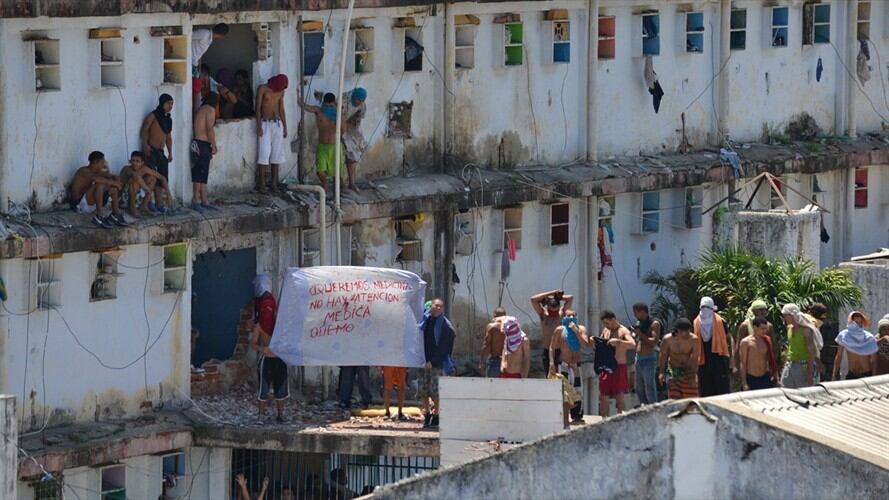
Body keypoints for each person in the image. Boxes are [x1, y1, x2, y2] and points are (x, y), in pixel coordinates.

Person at [249, 274, 288, 422]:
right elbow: (253, 343)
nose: (267, 310)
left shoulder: (280, 324)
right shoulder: (259, 326)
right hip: (266, 359)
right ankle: (260, 415)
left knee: (281, 389)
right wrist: (261, 349)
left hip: (279, 358)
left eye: (269, 308)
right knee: (263, 389)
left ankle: (280, 415)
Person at [418, 298, 455, 428]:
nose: (438, 308)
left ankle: (437, 415)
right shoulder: (425, 321)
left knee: (435, 392)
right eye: (436, 305)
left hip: (436, 364)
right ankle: (427, 414)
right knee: (423, 390)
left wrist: (433, 362)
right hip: (423, 361)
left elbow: (444, 348)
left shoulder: (446, 326)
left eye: (440, 306)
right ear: (431, 306)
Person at [70, 151, 127, 228]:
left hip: (90, 203)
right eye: (102, 162)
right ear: (97, 162)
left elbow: (108, 175)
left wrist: (115, 178)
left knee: (113, 188)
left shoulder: (97, 172)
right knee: (99, 185)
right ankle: (99, 216)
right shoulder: (83, 171)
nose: (104, 164)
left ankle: (115, 214)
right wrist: (113, 182)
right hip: (79, 205)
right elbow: (95, 179)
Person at [549, 309, 588, 421]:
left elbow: (585, 345)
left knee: (577, 391)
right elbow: (552, 347)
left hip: (576, 366)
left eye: (572, 315)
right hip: (564, 365)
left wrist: (576, 331)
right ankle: (564, 418)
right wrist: (552, 363)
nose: (570, 317)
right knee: (564, 393)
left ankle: (577, 416)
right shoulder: (560, 330)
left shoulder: (581, 329)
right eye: (568, 316)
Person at [139, 94, 174, 212]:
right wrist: (145, 145)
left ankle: (159, 203)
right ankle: (149, 202)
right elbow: (145, 128)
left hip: (161, 152)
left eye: (172, 103)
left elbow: (168, 138)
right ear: (162, 103)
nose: (170, 106)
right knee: (151, 178)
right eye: (168, 103)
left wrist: (170, 153)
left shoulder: (168, 120)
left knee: (162, 179)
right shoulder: (153, 115)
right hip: (151, 150)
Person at [254, 74, 288, 193]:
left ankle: (274, 183)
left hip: (277, 124)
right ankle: (262, 184)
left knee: (277, 154)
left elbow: (281, 109)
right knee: (264, 153)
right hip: (265, 123)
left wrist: (285, 126)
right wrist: (259, 125)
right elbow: (257, 109)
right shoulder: (263, 89)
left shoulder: (281, 91)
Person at [597, 310, 634, 418]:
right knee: (603, 396)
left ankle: (621, 422)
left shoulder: (623, 331)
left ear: (613, 320)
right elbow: (601, 343)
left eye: (607, 323)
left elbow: (632, 344)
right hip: (606, 367)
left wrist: (618, 342)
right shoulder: (606, 330)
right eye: (604, 323)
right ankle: (604, 421)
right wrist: (594, 341)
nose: (605, 325)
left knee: (619, 397)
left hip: (619, 367)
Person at [694, 297, 732, 397]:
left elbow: (729, 338)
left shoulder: (720, 321)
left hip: (718, 358)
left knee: (722, 388)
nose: (705, 310)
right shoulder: (696, 322)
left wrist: (732, 359)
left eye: (707, 307)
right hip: (703, 360)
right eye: (703, 307)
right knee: (706, 389)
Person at [781, 303, 824, 388]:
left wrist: (809, 371)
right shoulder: (789, 328)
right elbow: (790, 346)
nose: (784, 318)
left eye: (786, 316)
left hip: (803, 365)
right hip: (790, 364)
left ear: (792, 315)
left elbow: (812, 351)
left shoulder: (806, 330)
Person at [530, 289, 573, 374]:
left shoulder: (561, 313)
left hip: (560, 351)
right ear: (547, 307)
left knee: (562, 377)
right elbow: (533, 299)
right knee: (549, 376)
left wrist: (558, 297)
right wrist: (551, 294)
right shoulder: (543, 314)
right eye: (551, 311)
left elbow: (570, 298)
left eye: (555, 311)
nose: (553, 314)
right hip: (547, 351)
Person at [119, 151, 173, 218]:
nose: (134, 163)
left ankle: (144, 206)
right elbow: (136, 176)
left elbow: (162, 177)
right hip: (125, 199)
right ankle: (132, 209)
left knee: (152, 178)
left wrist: (169, 195)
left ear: (142, 163)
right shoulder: (127, 169)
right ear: (130, 161)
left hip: (137, 196)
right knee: (134, 181)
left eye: (137, 161)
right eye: (133, 160)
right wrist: (147, 189)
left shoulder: (144, 169)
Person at [658, 318, 700, 399]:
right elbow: (663, 356)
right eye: (686, 332)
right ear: (678, 331)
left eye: (689, 331)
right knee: (675, 398)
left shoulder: (694, 340)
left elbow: (695, 358)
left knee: (691, 399)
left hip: (688, 371)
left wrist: (693, 376)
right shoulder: (667, 339)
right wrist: (661, 372)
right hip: (673, 371)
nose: (688, 333)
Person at [191, 92, 218, 211]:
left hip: (196, 143)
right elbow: (209, 129)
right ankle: (196, 200)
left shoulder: (201, 109)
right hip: (202, 144)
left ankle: (204, 200)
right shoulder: (210, 110)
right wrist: (214, 144)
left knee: (202, 173)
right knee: (199, 174)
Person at [832, 311, 877, 380]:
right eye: (856, 323)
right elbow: (839, 355)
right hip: (852, 374)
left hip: (866, 374)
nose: (858, 325)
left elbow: (873, 360)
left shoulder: (869, 338)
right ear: (850, 323)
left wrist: (873, 377)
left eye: (860, 322)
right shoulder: (844, 336)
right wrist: (834, 374)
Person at [631, 302, 661, 405]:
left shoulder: (654, 324)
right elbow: (636, 337)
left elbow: (654, 341)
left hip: (649, 359)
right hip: (638, 359)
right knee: (639, 388)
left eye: (636, 313)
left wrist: (640, 334)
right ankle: (643, 405)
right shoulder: (639, 323)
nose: (635, 316)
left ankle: (653, 407)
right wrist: (634, 333)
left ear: (642, 312)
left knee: (649, 387)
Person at [739, 317, 779, 390]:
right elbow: (743, 363)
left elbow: (771, 359)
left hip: (764, 376)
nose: (764, 331)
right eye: (762, 329)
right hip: (751, 377)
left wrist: (776, 377)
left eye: (765, 329)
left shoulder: (767, 340)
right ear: (755, 327)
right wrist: (744, 383)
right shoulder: (746, 342)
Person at [342, 87, 367, 191]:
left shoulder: (362, 105)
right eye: (358, 101)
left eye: (362, 101)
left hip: (352, 128)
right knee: (339, 155)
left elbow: (358, 119)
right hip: (338, 126)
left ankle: (351, 182)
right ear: (354, 98)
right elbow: (340, 118)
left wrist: (354, 134)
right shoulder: (344, 101)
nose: (359, 103)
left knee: (354, 154)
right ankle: (339, 183)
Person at [479, 307, 507, 377]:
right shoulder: (510, 327)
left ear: (494, 316)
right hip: (508, 362)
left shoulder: (492, 327)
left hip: (495, 361)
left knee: (492, 386)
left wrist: (482, 362)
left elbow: (486, 345)